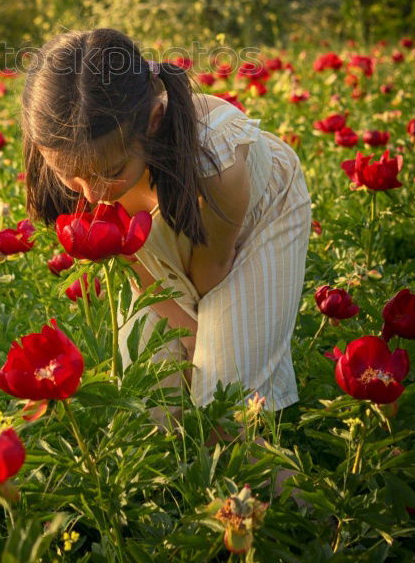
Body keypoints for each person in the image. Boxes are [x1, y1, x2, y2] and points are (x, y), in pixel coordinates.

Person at [21, 27, 312, 420]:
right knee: (151, 403)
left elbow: (211, 269)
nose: (90, 195)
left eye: (112, 171)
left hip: (250, 225)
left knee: (222, 406)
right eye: (71, 176)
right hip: (160, 245)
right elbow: (141, 269)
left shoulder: (216, 158)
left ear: (154, 121)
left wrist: (205, 351)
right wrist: (186, 337)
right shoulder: (75, 150)